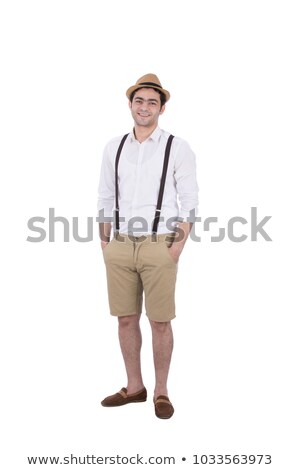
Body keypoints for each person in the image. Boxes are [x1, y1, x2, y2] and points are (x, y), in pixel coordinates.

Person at [97, 73, 198, 419]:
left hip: (160, 243)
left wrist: (176, 249)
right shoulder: (115, 146)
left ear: (162, 108)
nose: (144, 107)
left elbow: (190, 202)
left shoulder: (177, 147)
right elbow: (106, 196)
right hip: (120, 244)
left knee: (160, 322)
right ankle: (135, 387)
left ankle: (161, 392)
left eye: (152, 102)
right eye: (139, 101)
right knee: (125, 319)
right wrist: (105, 241)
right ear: (130, 104)